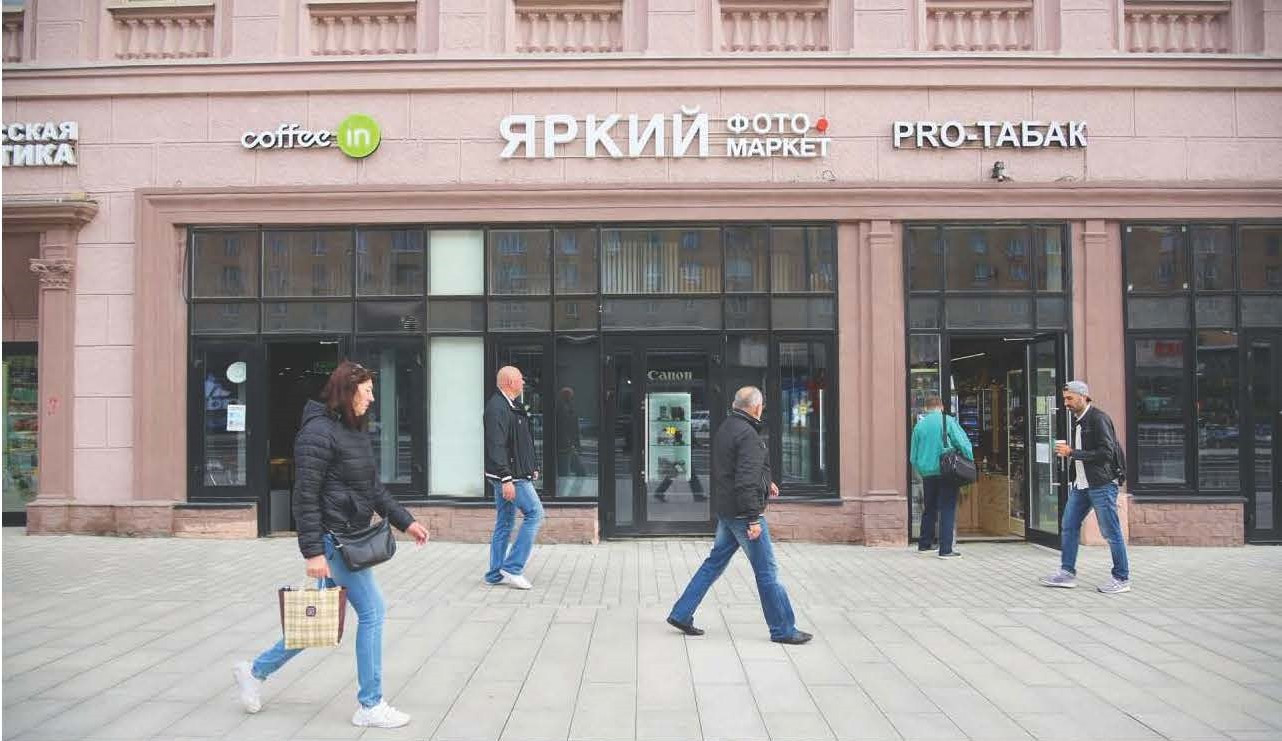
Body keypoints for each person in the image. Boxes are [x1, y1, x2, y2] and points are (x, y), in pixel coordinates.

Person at [232, 360, 429, 728]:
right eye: (367, 391)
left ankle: (254, 671)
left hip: (348, 537)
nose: (372, 398)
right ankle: (370, 704)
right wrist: (313, 552)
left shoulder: (353, 430)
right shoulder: (317, 433)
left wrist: (407, 521)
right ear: (348, 391)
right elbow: (304, 496)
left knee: (318, 622)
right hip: (333, 541)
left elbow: (372, 488)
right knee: (373, 612)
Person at [667, 387, 812, 645]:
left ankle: (681, 613)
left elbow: (735, 470)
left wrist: (766, 482)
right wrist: (753, 518)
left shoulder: (727, 428)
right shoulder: (748, 435)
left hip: (727, 510)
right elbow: (745, 480)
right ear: (756, 407)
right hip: (744, 514)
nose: (762, 409)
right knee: (767, 572)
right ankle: (783, 629)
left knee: (714, 564)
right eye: (762, 405)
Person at [1041, 380, 1131, 594]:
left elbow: (1106, 453)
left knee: (1111, 532)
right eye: (1064, 399)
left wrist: (1072, 453)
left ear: (1083, 397)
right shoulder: (1078, 420)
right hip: (1081, 485)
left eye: (1069, 398)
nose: (1066, 403)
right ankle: (1067, 573)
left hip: (1101, 484)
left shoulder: (1099, 419)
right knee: (1069, 525)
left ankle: (1121, 578)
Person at [484, 365, 544, 590]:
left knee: (505, 522)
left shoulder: (513, 406)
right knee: (535, 514)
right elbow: (496, 445)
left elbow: (521, 441)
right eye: (520, 379)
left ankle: (494, 573)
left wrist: (532, 466)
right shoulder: (497, 408)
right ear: (509, 382)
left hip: (516, 473)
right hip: (511, 477)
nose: (523, 383)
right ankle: (513, 567)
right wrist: (506, 478)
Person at [909, 396, 973, 559]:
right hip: (947, 471)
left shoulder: (919, 426)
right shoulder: (948, 421)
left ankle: (925, 544)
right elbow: (963, 444)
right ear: (942, 407)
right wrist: (969, 461)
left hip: (927, 473)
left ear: (925, 408)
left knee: (929, 507)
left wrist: (922, 469)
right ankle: (945, 549)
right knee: (947, 508)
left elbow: (913, 457)